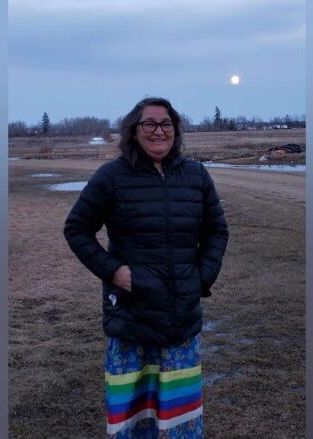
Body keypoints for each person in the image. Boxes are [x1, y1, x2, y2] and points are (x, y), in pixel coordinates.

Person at [64, 96, 228, 438]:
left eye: (166, 123)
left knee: (178, 420)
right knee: (133, 420)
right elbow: (77, 228)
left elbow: (216, 231)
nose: (158, 131)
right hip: (132, 318)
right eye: (149, 123)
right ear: (134, 130)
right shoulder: (112, 176)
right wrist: (113, 271)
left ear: (176, 130)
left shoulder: (196, 176)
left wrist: (202, 277)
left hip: (181, 320)